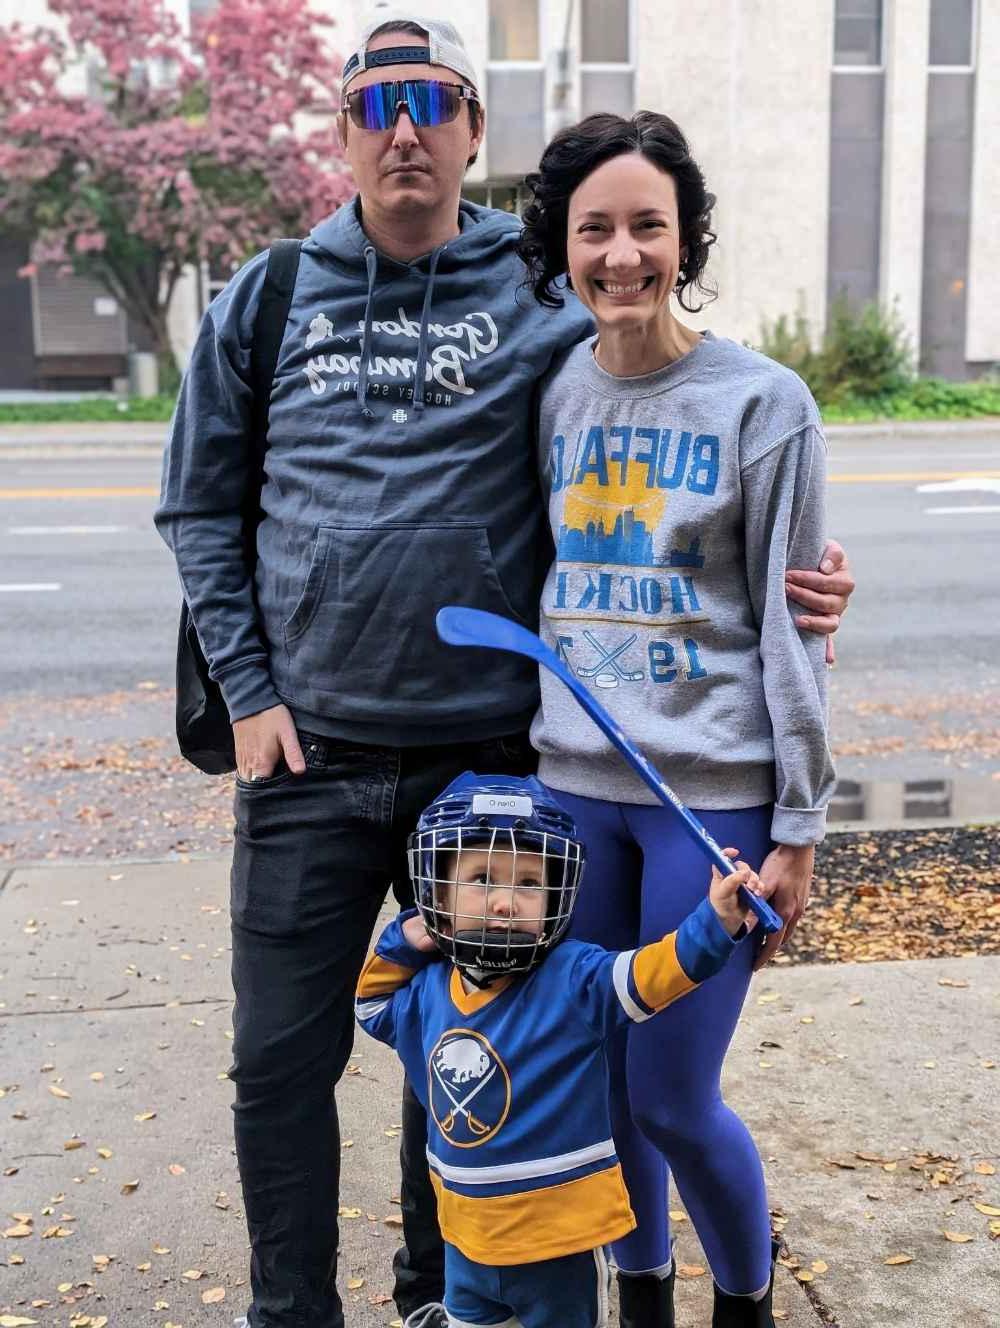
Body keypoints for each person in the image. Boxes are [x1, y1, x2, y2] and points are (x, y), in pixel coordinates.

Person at [154, 12, 854, 1326]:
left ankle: (443, 1298)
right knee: (278, 1065)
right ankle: (290, 1312)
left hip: (493, 767)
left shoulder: (543, 302)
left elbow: (670, 415)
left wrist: (802, 576)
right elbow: (201, 510)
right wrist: (248, 689)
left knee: (483, 1050)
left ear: (476, 129)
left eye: (433, 101)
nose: (404, 127)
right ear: (343, 131)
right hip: (311, 754)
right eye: (376, 104)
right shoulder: (272, 294)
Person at [514, 111, 838, 1327]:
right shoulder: (554, 394)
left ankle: (745, 1302)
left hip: (711, 803)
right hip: (573, 792)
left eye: (647, 225)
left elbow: (792, 625)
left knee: (669, 1094)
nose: (621, 254)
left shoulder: (764, 403)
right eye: (594, 229)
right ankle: (639, 1293)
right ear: (565, 246)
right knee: (601, 1084)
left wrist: (798, 827)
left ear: (684, 237)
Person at [356, 773, 777, 1328]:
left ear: (560, 893)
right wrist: (404, 938)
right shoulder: (428, 994)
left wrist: (714, 923)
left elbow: (652, 974)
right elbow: (369, 1005)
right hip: (465, 1243)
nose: (505, 903)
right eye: (481, 879)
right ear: (436, 894)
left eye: (529, 883)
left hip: (561, 1247)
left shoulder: (574, 979)